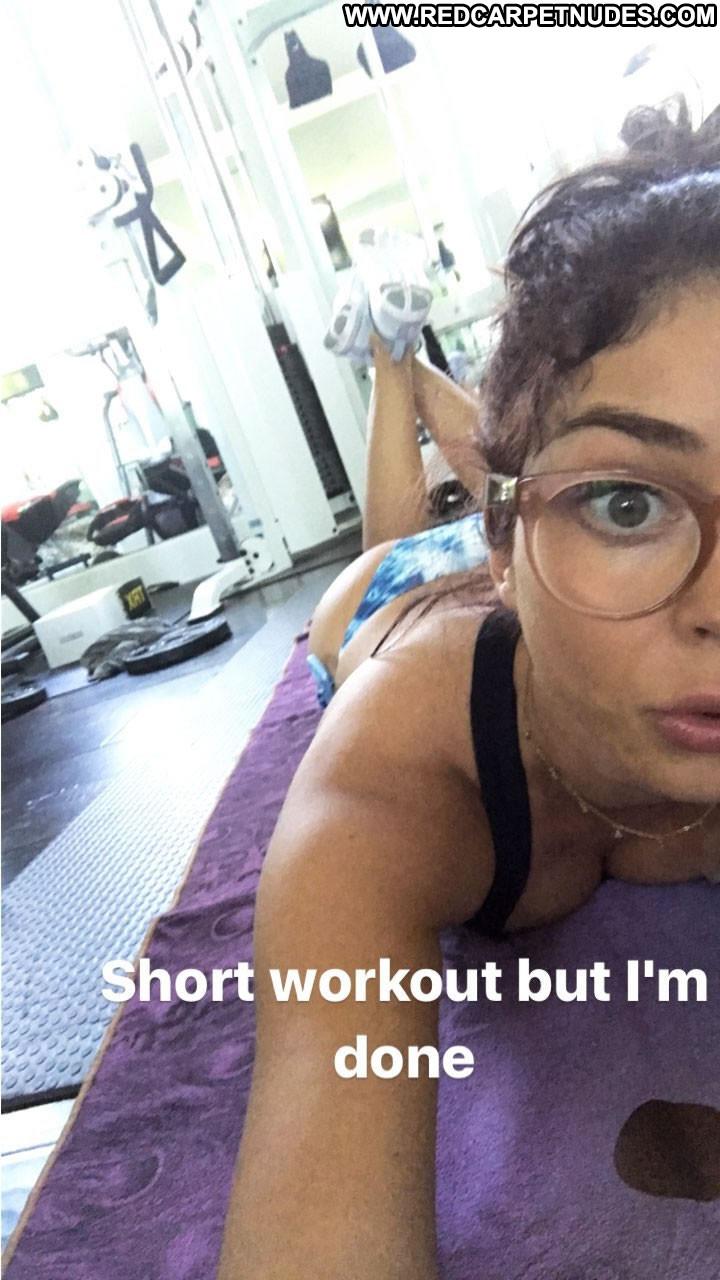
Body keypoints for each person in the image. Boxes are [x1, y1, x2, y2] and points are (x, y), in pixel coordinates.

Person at [218, 102, 720, 1279]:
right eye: (629, 501)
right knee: (392, 545)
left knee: (510, 456)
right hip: (394, 602)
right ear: (507, 552)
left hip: (525, 525)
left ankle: (412, 351)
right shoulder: (393, 777)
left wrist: (594, 504)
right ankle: (390, 360)